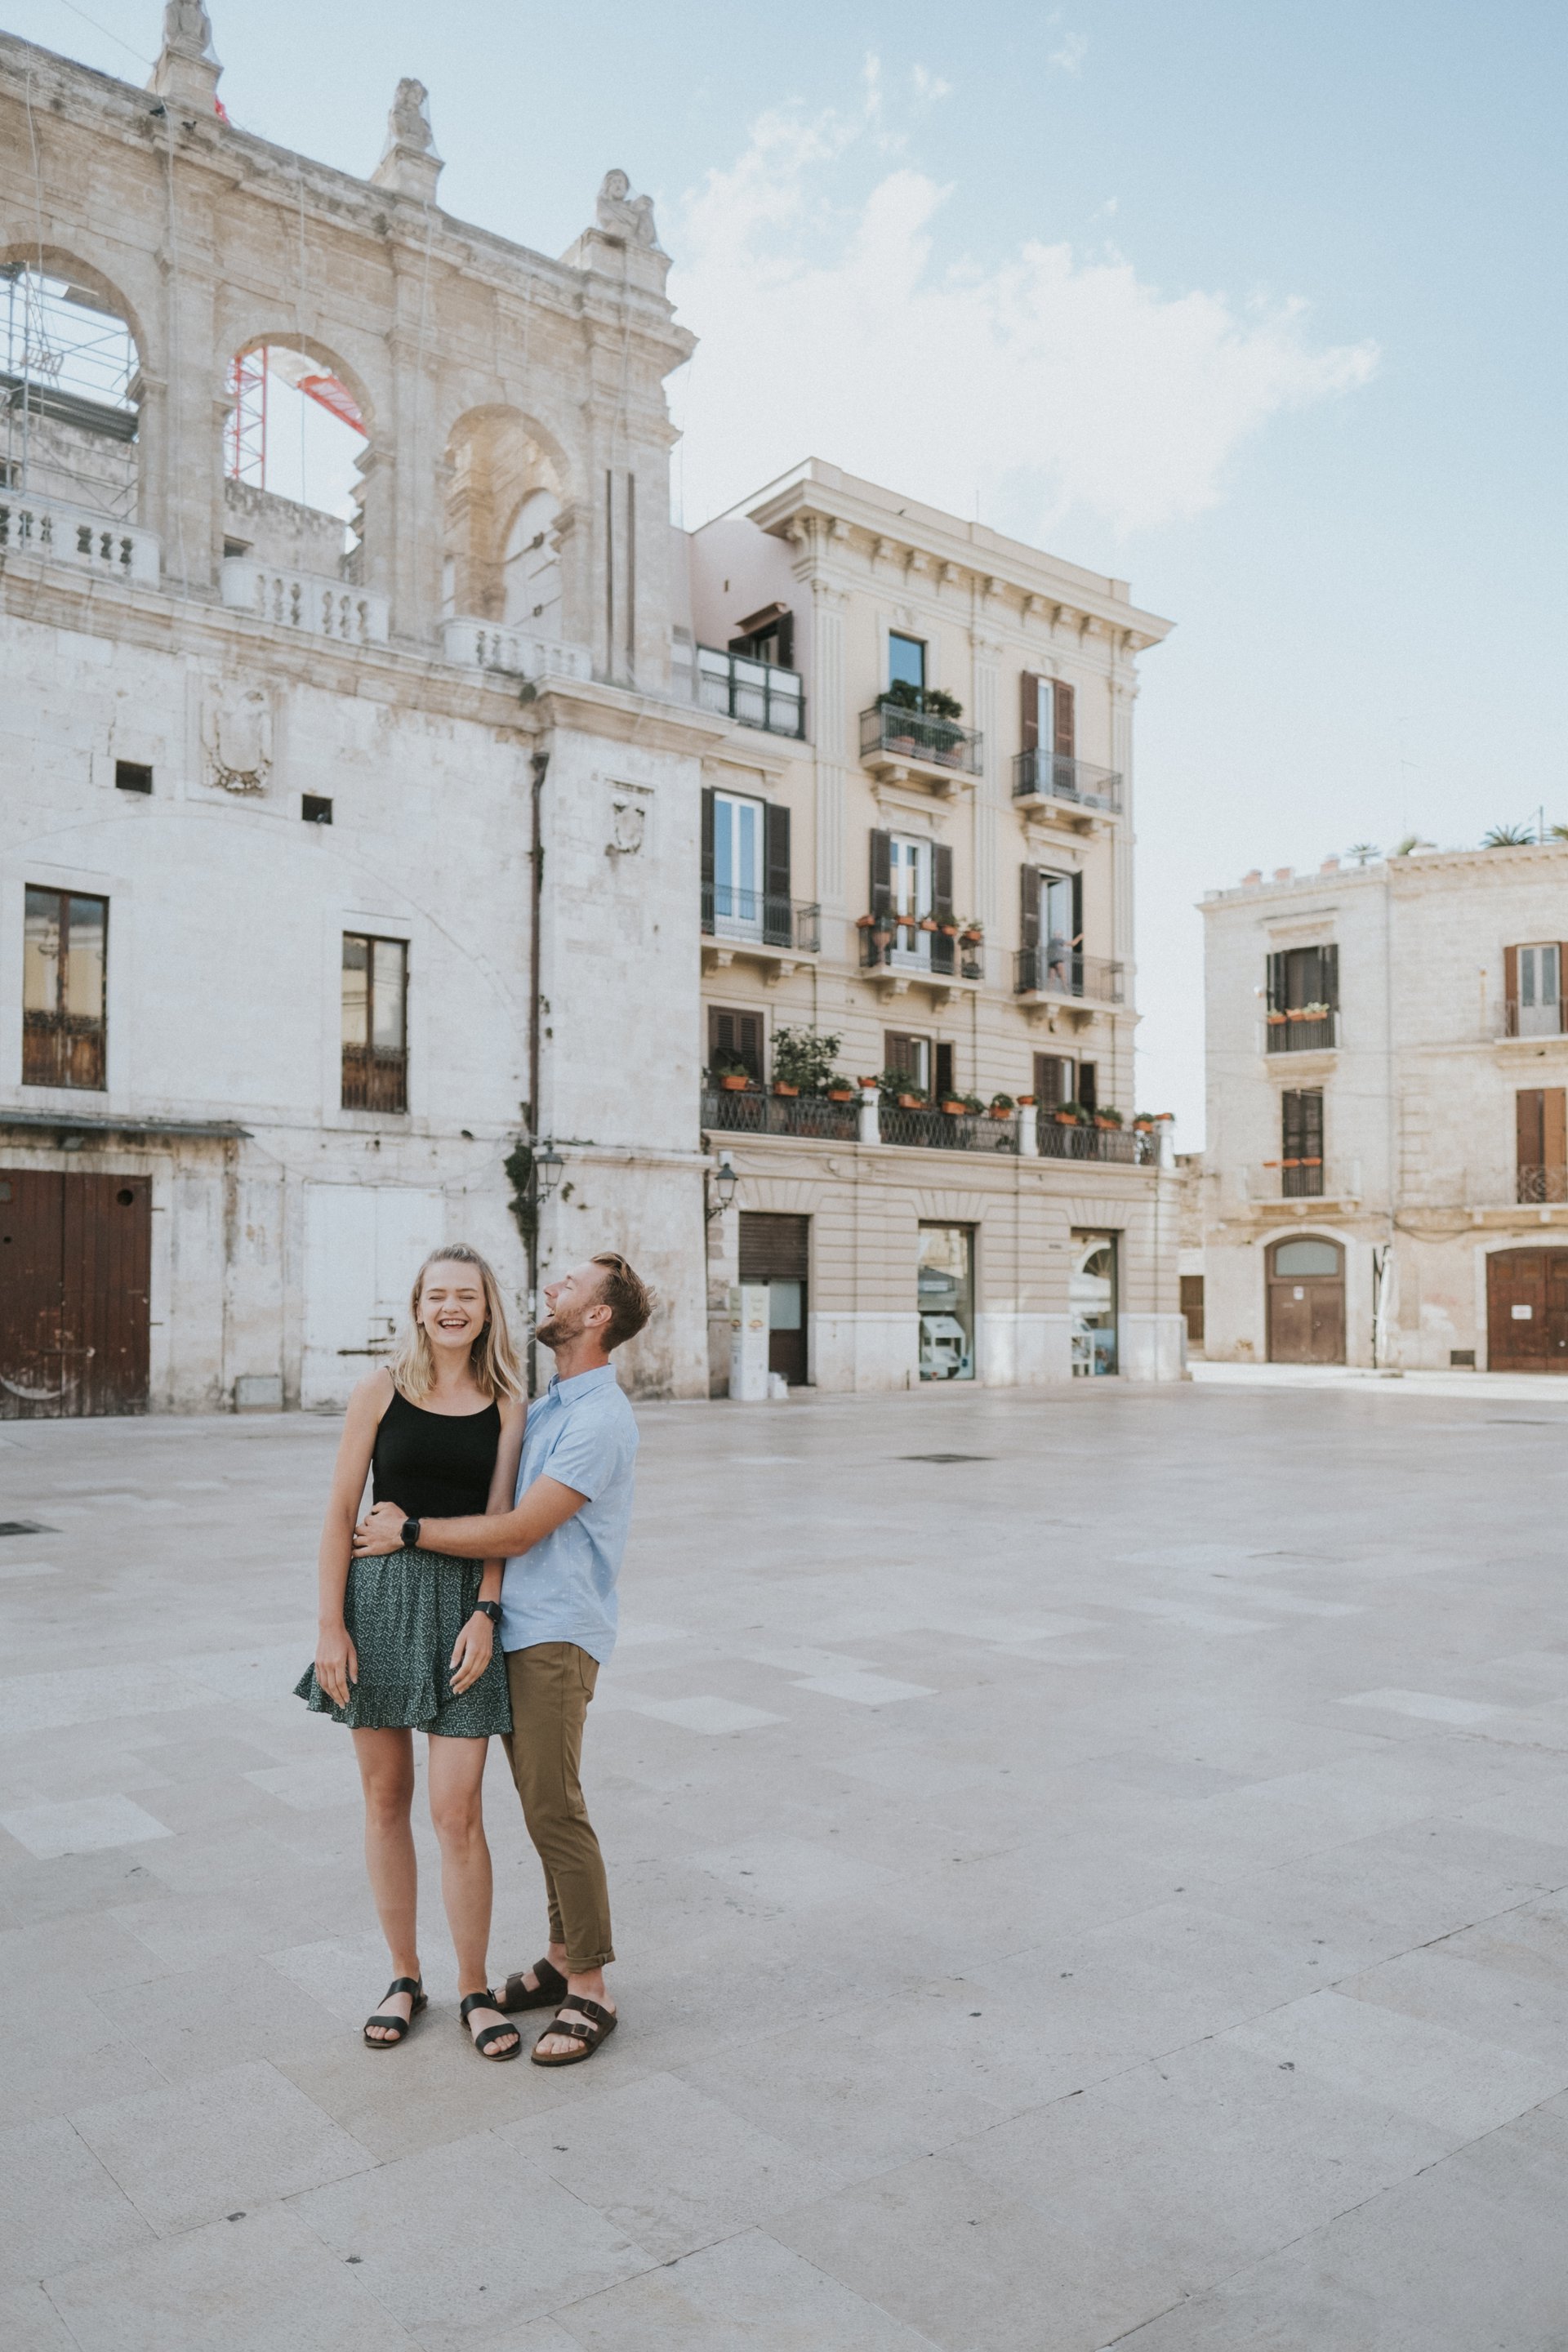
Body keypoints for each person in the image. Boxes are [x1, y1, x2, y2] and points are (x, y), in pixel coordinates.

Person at [353, 1250, 651, 2066]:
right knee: (536, 1801)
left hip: (554, 1631)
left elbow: (518, 1529)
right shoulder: (551, 1402)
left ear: (598, 1315)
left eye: (569, 1285)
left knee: (553, 1806)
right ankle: (559, 1957)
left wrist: (410, 1530)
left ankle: (590, 1987)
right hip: (510, 1624)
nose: (551, 1288)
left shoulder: (596, 1419)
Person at [295, 1245, 528, 2063]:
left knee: (458, 1811)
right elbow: (338, 1513)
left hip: (463, 1613)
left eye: (467, 1295)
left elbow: (501, 1517)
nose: (451, 1308)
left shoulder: (508, 1401)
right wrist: (331, 1627)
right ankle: (404, 1976)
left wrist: (487, 1611)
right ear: (418, 1307)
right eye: (438, 1296)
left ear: (488, 1309)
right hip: (380, 1607)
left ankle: (474, 1988)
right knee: (385, 1796)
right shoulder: (380, 1389)